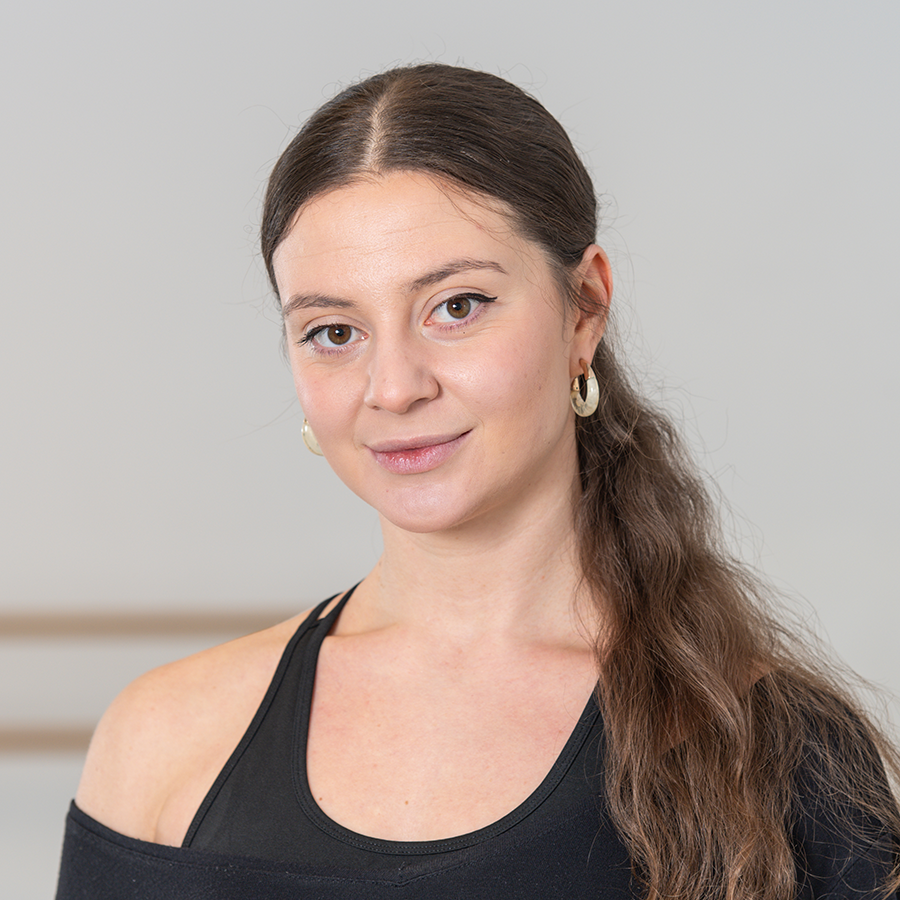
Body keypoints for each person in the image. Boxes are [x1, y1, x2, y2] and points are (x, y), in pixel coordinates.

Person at [56, 63, 899, 900]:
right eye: (334, 331)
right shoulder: (164, 739)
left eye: (456, 306)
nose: (394, 387)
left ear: (584, 309)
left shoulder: (780, 756)